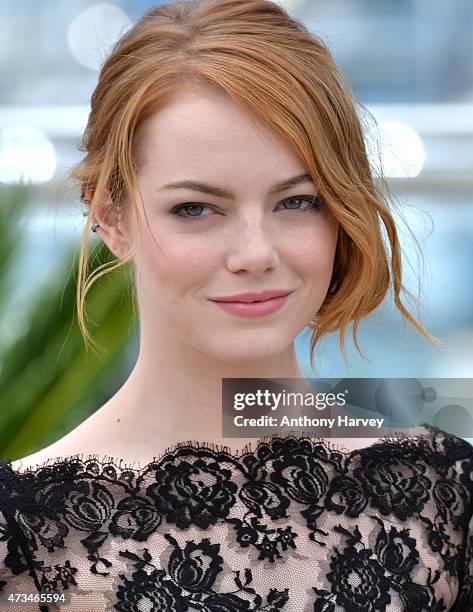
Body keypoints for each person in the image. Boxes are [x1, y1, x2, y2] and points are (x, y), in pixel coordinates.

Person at [1, 0, 472, 610]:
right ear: (111, 217)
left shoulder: (445, 498)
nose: (255, 253)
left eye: (297, 201)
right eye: (195, 209)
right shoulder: (23, 543)